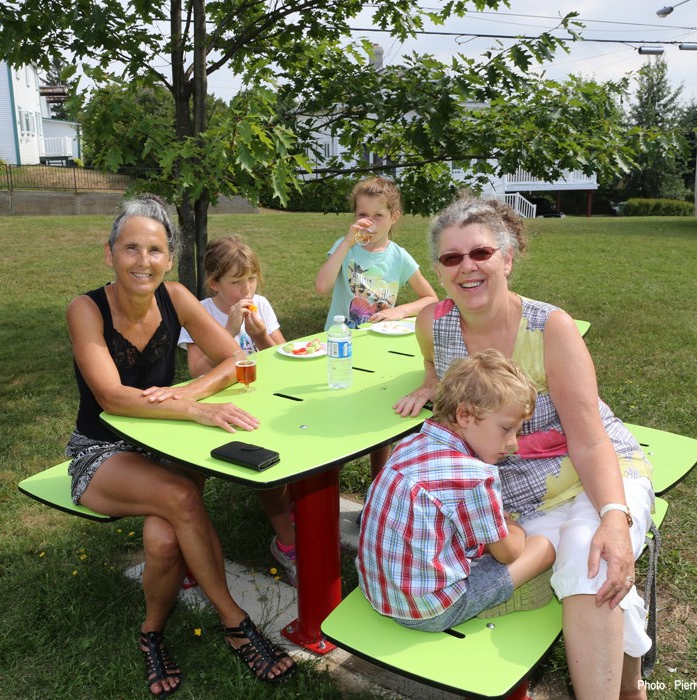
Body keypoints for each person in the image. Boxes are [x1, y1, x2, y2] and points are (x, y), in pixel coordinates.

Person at [394, 196, 655, 700]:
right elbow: (433, 365)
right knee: (584, 566)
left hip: (591, 472)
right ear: (439, 271)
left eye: (481, 253)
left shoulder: (550, 327)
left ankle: (623, 689)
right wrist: (430, 383)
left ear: (507, 259)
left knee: (592, 562)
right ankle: (629, 688)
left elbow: (588, 438)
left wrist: (615, 517)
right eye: (452, 258)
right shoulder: (433, 323)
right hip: (510, 488)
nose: (467, 267)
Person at [65, 195, 295, 696]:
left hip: (163, 445)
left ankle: (150, 634)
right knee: (182, 499)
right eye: (130, 248)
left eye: (154, 250)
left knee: (164, 540)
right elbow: (111, 395)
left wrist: (189, 392)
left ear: (169, 258)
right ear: (109, 254)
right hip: (101, 452)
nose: (142, 261)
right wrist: (194, 410)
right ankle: (236, 623)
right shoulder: (86, 309)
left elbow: (236, 359)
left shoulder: (176, 298)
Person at [357, 349, 556, 632]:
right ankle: (497, 600)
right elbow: (509, 554)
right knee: (543, 548)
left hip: (377, 590)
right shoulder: (475, 476)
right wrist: (515, 528)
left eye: (518, 432)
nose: (513, 444)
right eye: (506, 429)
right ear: (464, 415)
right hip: (431, 611)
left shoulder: (408, 446)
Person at [176, 235, 297, 584]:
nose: (247, 288)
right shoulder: (201, 311)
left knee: (285, 454)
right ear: (214, 283)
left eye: (252, 278)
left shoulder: (260, 303)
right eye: (236, 281)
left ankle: (290, 519)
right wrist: (227, 330)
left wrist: (260, 337)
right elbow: (197, 372)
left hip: (261, 397)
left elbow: (286, 357)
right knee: (253, 461)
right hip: (218, 406)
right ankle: (285, 539)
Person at [314, 176, 438, 477]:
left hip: (380, 348)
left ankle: (379, 482)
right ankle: (325, 469)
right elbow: (321, 286)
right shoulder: (346, 249)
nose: (368, 222)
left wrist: (400, 311)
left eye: (378, 215)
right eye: (361, 215)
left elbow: (430, 297)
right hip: (340, 348)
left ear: (393, 218)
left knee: (379, 415)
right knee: (336, 411)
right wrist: (346, 243)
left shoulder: (398, 256)